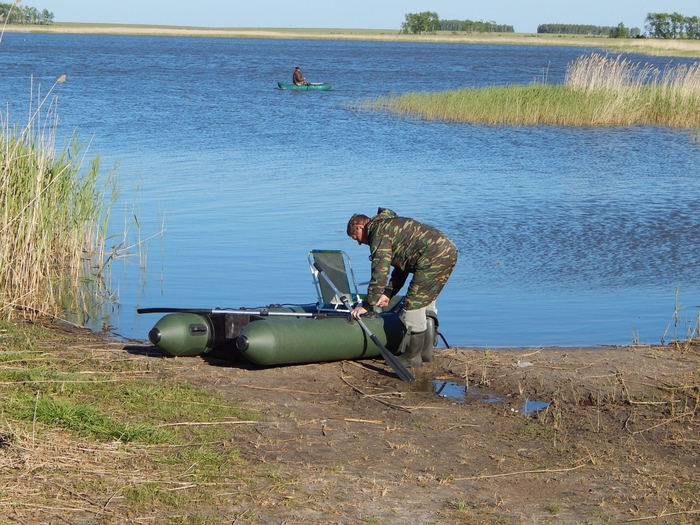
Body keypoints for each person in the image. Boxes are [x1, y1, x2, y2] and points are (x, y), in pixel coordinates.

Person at [347, 208, 458, 367]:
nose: (358, 242)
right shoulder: (389, 225)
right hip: (448, 251)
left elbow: (380, 273)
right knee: (425, 301)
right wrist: (388, 293)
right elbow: (402, 266)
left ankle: (412, 357)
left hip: (432, 256)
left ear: (360, 227)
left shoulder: (378, 233)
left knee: (412, 304)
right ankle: (426, 353)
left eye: (355, 237)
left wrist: (366, 304)